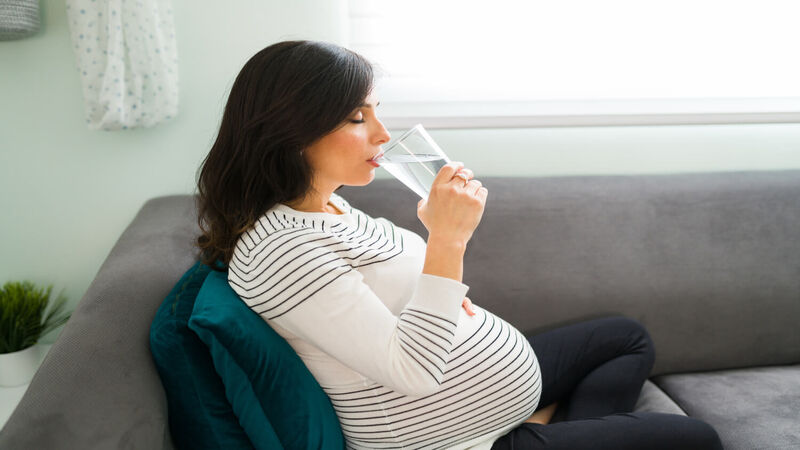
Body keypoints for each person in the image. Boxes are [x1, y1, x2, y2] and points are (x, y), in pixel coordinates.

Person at [196, 40, 723, 450]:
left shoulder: (323, 205)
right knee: (695, 439)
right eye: (358, 118)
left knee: (624, 337)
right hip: (442, 437)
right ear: (292, 134)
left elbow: (393, 299)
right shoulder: (283, 251)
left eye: (376, 111)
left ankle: (547, 426)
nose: (382, 134)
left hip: (481, 398)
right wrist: (447, 238)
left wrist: (442, 298)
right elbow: (413, 370)